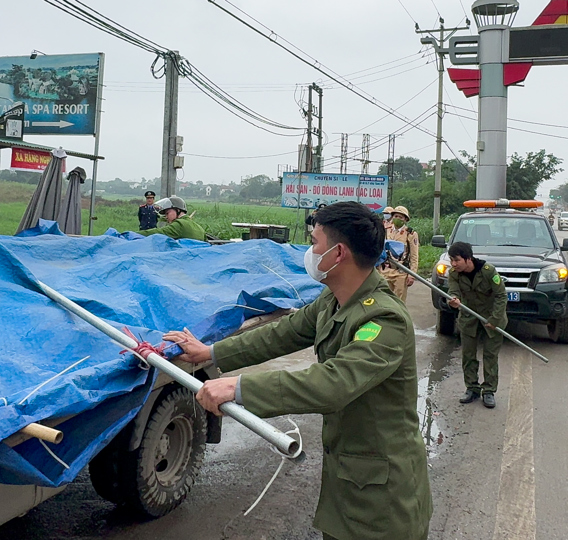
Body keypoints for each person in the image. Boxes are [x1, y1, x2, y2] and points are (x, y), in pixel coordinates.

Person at [163, 201, 431, 540]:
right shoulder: (333, 299)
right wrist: (211, 352)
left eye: (315, 242)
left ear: (338, 254)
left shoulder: (382, 318)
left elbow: (334, 382)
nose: (309, 251)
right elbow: (284, 332)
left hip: (383, 496)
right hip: (349, 477)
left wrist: (239, 388)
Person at [446, 241, 507, 409]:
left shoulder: (488, 271)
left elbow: (501, 296)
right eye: (451, 260)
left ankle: (489, 391)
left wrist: (495, 320)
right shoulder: (454, 274)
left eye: (457, 260)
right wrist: (453, 300)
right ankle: (472, 388)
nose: (453, 264)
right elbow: (452, 291)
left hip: (491, 317)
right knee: (468, 355)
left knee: (490, 356)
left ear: (468, 258)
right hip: (468, 317)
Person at [380, 205, 419, 302]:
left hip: (401, 273)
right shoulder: (386, 230)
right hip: (385, 270)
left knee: (398, 302)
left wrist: (412, 275)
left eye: (400, 217)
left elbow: (414, 256)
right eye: (396, 216)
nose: (397, 219)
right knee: (384, 300)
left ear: (405, 219)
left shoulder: (410, 234)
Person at [138, 196, 206, 241]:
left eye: (167, 213)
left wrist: (134, 234)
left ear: (178, 210)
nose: (166, 217)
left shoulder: (179, 225)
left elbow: (159, 232)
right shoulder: (199, 228)